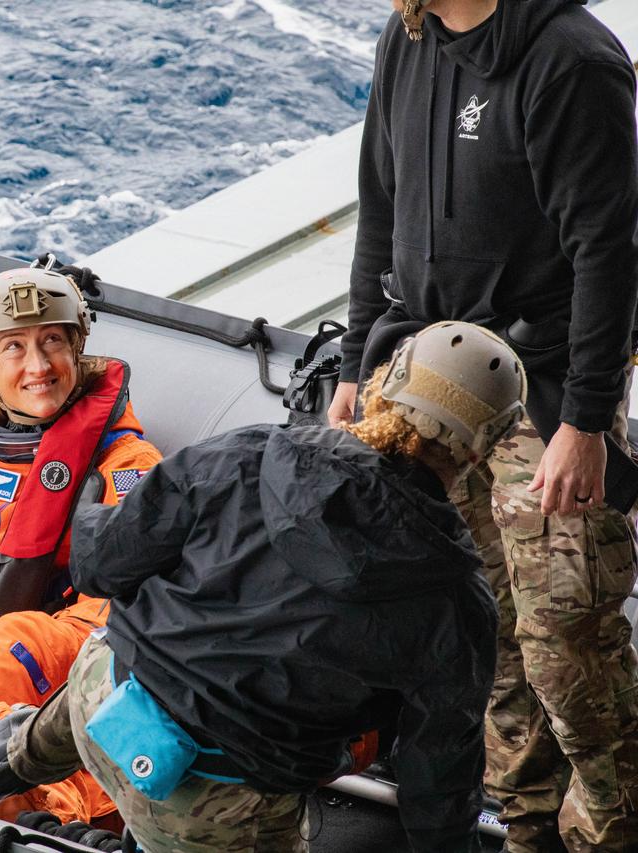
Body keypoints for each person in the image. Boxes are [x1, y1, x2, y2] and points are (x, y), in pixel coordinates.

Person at [0, 321, 527, 852]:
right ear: (485, 448)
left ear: (385, 384)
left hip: (98, 707)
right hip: (212, 803)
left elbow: (102, 567)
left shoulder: (253, 451)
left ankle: (6, 763)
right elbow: (438, 778)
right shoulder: (459, 603)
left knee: (119, 652)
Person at [328, 2, 638, 849]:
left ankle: (615, 823)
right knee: (475, 619)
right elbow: (379, 210)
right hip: (428, 379)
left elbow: (610, 253)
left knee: (568, 639)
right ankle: (525, 821)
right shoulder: (411, 34)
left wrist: (584, 423)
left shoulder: (571, 61)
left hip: (544, 386)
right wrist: (359, 365)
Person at [0, 265, 162, 824]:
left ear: (78, 347)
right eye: (14, 347)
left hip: (37, 691)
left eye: (53, 343)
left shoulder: (126, 472)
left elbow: (116, 613)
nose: (38, 366)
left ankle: (50, 816)